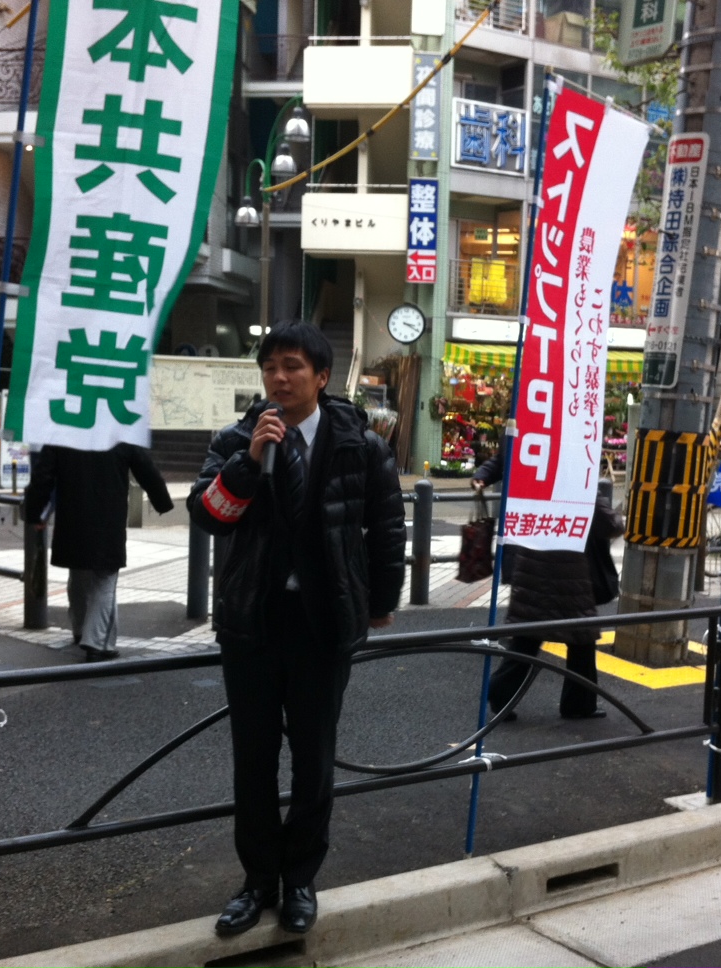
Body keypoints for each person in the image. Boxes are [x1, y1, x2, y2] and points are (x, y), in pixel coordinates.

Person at [188, 320, 405, 938]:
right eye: (270, 368)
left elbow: (387, 528)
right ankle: (258, 880)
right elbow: (210, 517)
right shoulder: (237, 439)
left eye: (292, 367)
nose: (279, 379)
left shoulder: (360, 445)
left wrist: (380, 601)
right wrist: (249, 462)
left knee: (314, 760)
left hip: (322, 624)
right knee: (253, 759)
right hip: (252, 623)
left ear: (321, 376)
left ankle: (301, 879)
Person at [471, 453, 622, 721]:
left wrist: (482, 476)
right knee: (581, 638)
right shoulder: (580, 478)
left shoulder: (537, 471)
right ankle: (578, 704)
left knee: (528, 636)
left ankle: (500, 693)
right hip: (570, 573)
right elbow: (609, 524)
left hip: (532, 564)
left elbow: (504, 458)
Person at [24, 443, 173, 661]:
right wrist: (162, 502)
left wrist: (35, 512)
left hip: (71, 519)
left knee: (78, 575)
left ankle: (80, 629)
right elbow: (146, 469)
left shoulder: (65, 431)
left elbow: (42, 475)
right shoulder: (120, 433)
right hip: (107, 520)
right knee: (104, 580)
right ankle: (98, 643)